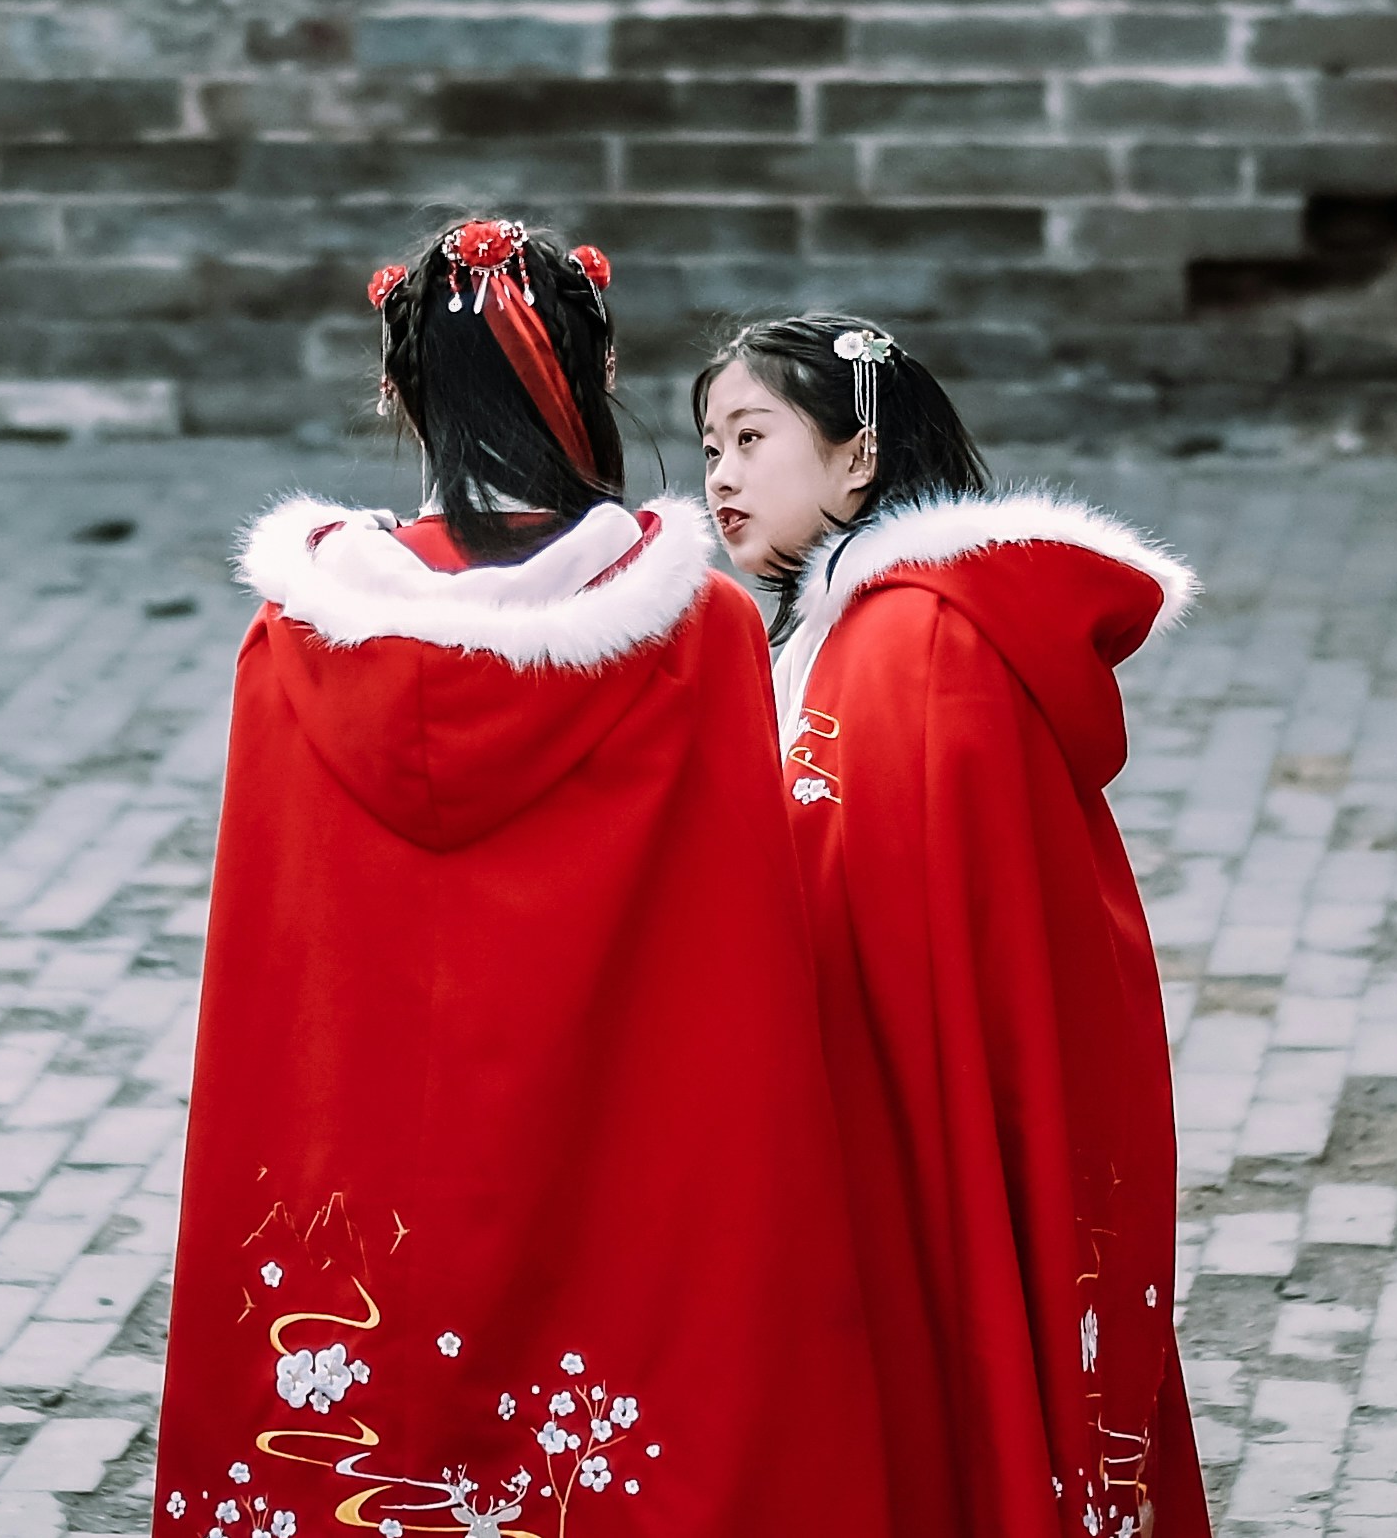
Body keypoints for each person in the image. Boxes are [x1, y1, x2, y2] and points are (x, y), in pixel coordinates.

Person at [154, 219, 887, 1538]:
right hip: (619, 1157)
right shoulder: (696, 631)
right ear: (594, 384)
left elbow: (278, 977)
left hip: (362, 1178)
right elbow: (734, 965)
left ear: (400, 392)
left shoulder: (294, 640)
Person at [698, 313, 1213, 1538]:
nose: (719, 473)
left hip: (916, 1097)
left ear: (857, 458)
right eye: (709, 443)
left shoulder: (918, 641)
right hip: (884, 1083)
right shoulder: (847, 627)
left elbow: (907, 901)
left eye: (751, 436)